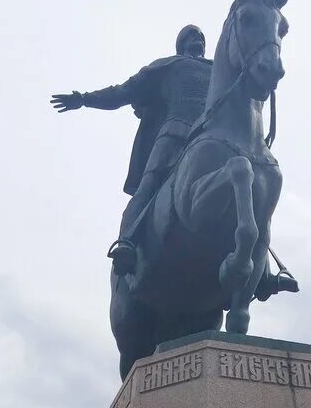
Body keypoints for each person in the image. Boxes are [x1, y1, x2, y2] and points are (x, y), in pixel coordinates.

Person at [51, 25, 212, 275]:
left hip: (210, 137)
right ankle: (127, 241)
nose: (198, 40)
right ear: (181, 44)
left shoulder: (219, 71)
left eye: (201, 37)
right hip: (175, 134)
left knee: (245, 178)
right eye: (192, 36)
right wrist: (83, 99)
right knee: (148, 186)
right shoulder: (167, 66)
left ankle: (261, 265)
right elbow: (122, 93)